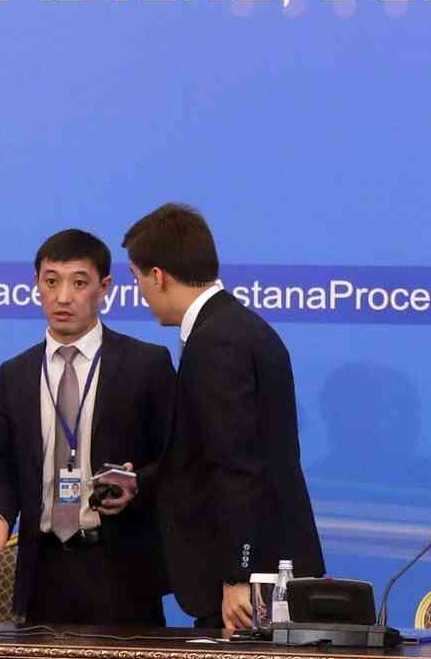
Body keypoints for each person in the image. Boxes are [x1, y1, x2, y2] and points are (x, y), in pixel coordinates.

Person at [0, 229, 175, 625]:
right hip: (43, 568)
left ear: (104, 287)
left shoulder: (146, 365)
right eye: (51, 281)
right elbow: (3, 467)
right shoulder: (15, 374)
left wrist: (136, 484)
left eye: (79, 283)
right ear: (37, 284)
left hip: (122, 569)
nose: (63, 297)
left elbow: (177, 460)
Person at [123, 203, 323, 635]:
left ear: (158, 276)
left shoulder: (216, 342)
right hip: (267, 572)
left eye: (136, 279)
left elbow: (237, 468)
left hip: (251, 586)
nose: (139, 292)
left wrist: (238, 575)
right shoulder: (237, 327)